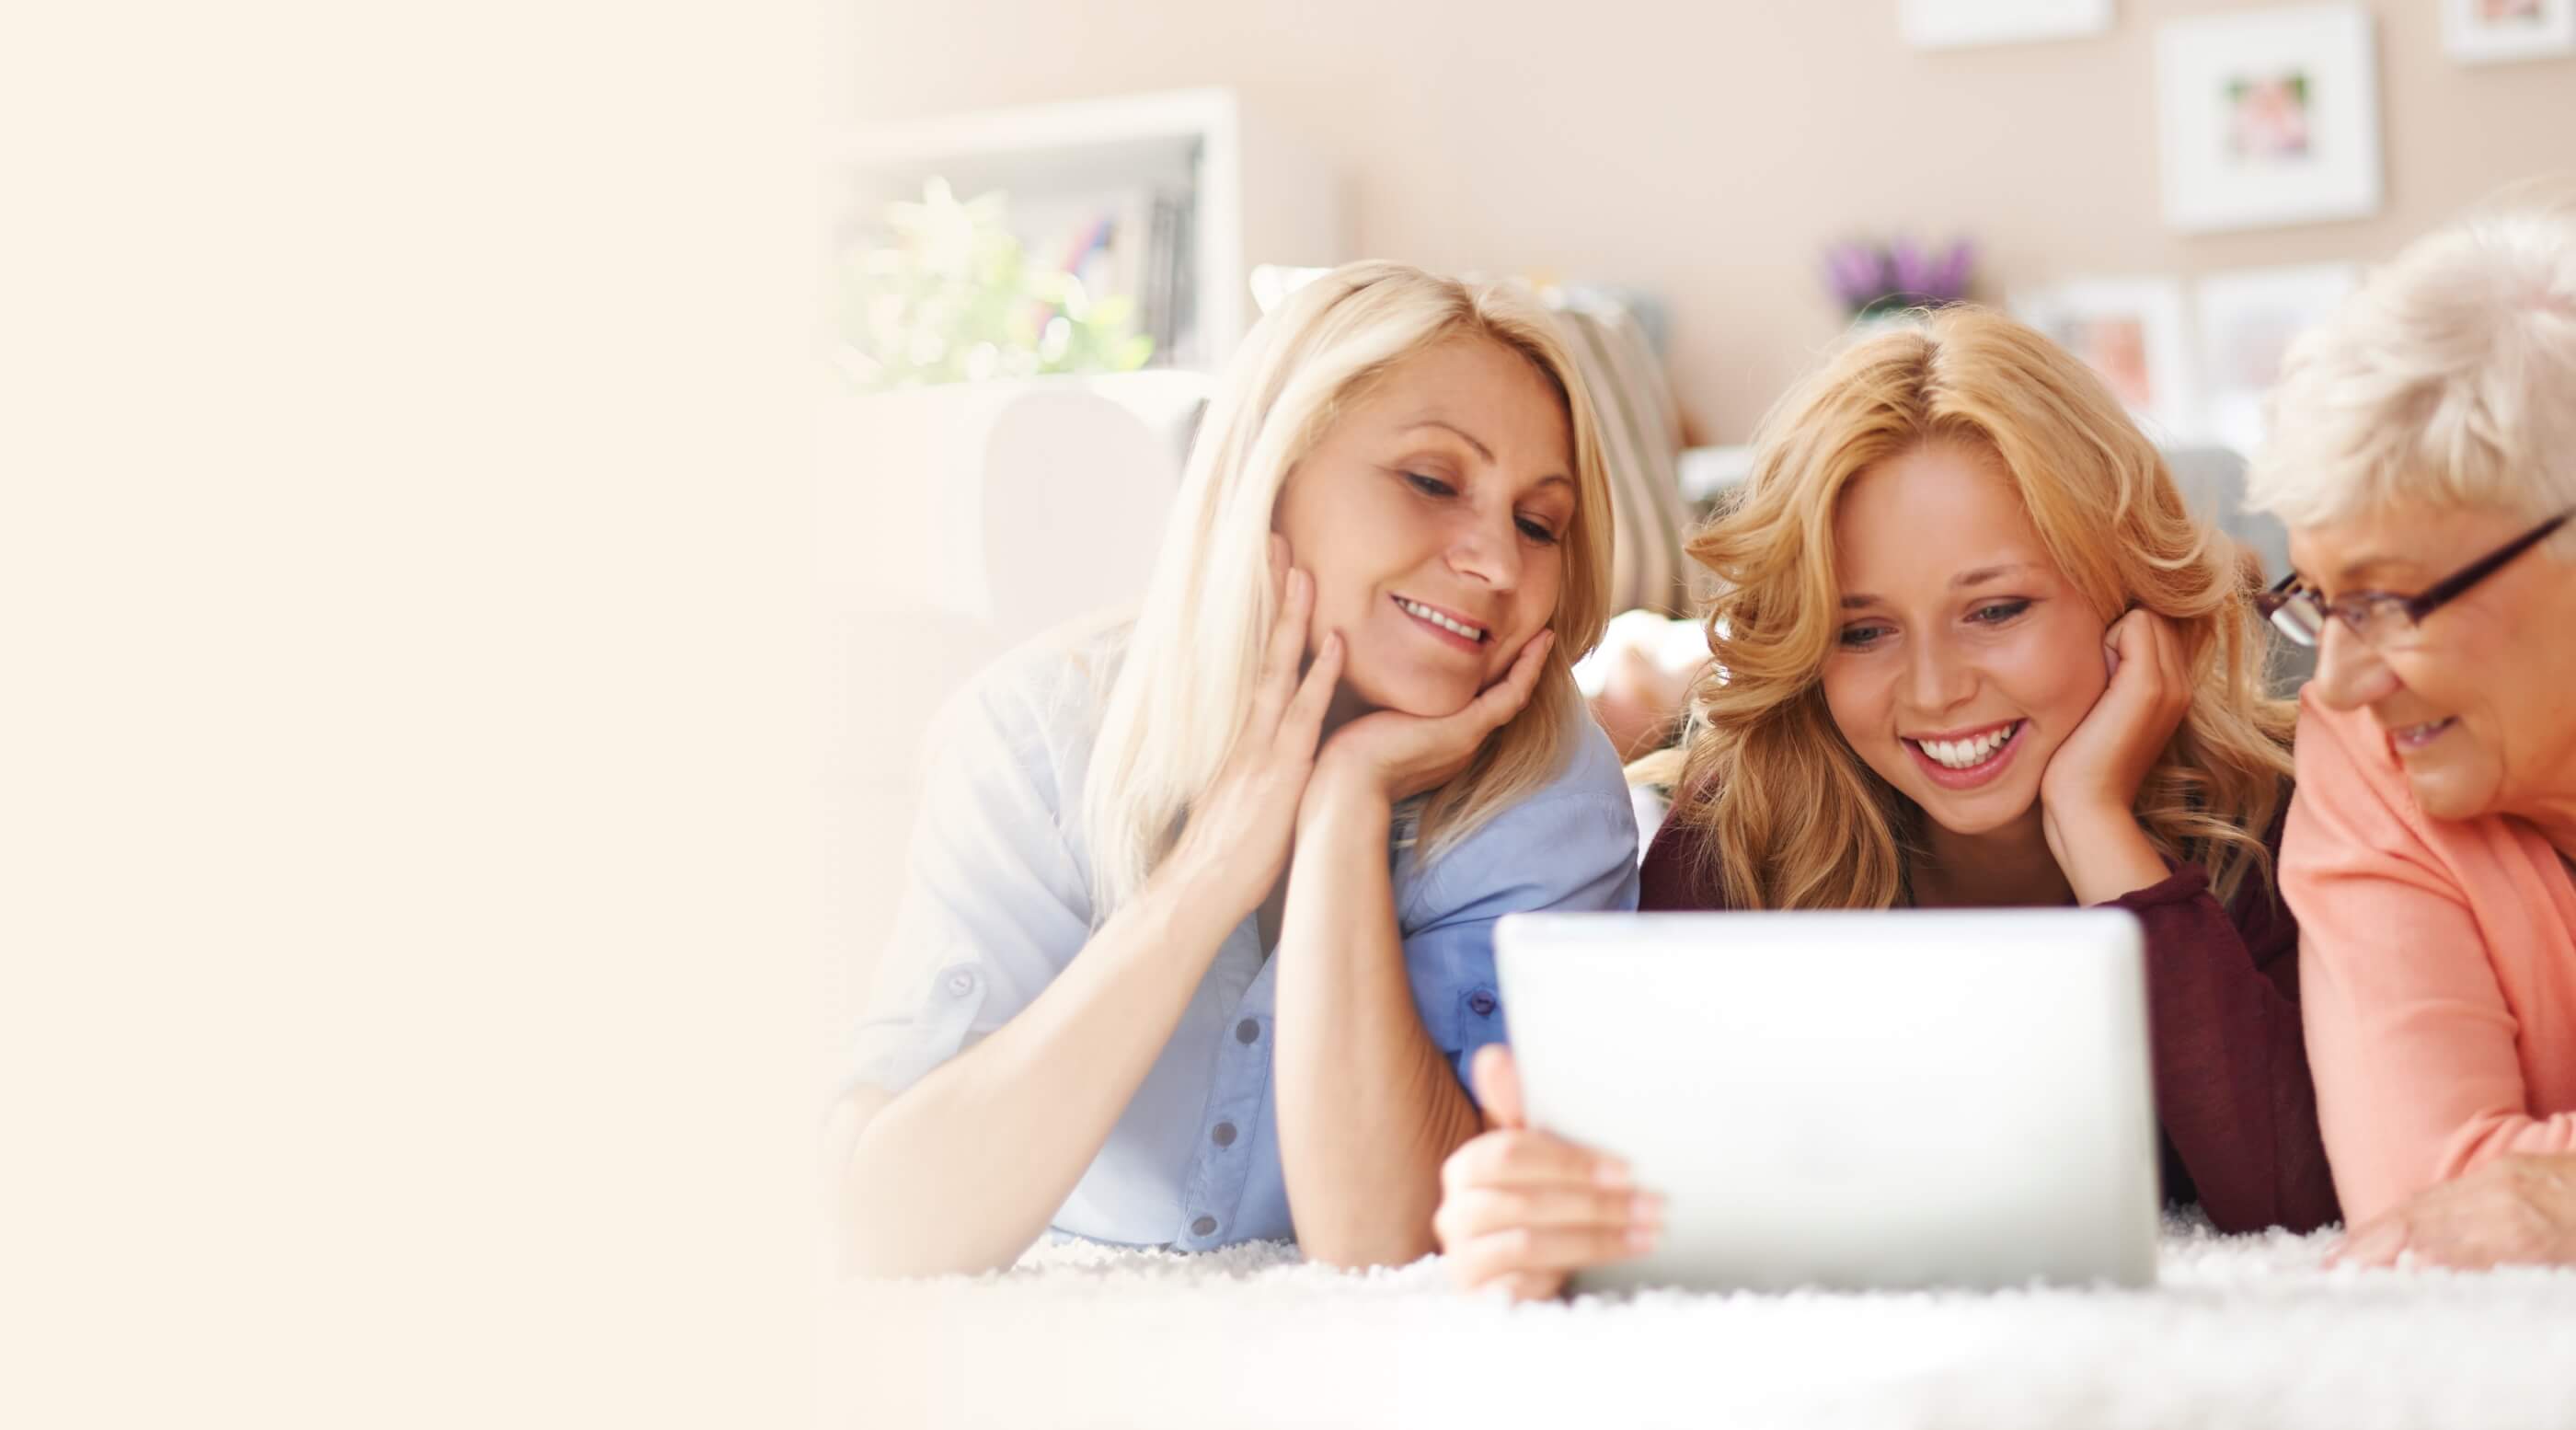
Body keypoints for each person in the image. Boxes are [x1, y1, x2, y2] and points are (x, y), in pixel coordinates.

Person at [1435, 306, 2337, 1299]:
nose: (1935, 690)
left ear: (2128, 599)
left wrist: (2100, 829)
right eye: (1863, 632)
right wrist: (1527, 1219)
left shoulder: (2278, 820)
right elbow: (1656, 1214)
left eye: (1995, 610)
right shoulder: (1740, 840)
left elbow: (2296, 1207)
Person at [831, 261, 1640, 1276]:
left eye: (1538, 522)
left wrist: (1345, 801)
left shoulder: (1547, 794)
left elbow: (1386, 1245)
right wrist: (1206, 877)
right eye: (1431, 481)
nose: (1497, 563)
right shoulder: (1038, 737)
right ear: (1270, 471)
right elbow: (890, 1227)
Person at [2240, 181, 2576, 1269]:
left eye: (2386, 600)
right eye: (2324, 600)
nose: (2334, 681)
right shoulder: (2374, 758)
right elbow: (2419, 1194)